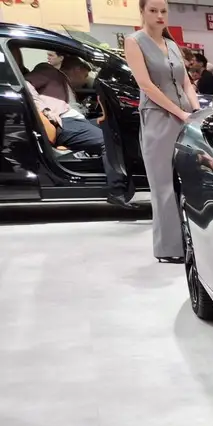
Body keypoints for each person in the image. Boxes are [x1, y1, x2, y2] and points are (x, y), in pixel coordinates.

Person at [123, 0, 200, 263]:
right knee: (163, 183)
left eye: (163, 11)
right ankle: (170, 248)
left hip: (185, 117)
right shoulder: (134, 42)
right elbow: (145, 85)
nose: (159, 15)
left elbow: (186, 82)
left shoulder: (172, 45)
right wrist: (180, 113)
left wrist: (195, 111)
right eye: (153, 10)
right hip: (158, 118)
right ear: (142, 12)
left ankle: (193, 243)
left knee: (189, 181)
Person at [25, 57, 135, 209]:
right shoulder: (49, 71)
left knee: (116, 130)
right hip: (65, 122)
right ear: (77, 69)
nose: (86, 80)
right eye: (85, 75)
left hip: (77, 120)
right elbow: (25, 84)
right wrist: (45, 110)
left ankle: (126, 180)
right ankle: (117, 192)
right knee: (108, 142)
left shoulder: (63, 82)